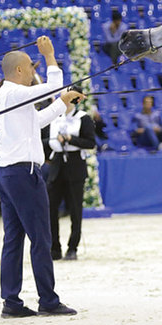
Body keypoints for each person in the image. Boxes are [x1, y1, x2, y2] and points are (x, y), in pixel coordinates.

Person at [0, 36, 84, 318]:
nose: (34, 70)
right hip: (22, 173)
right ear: (19, 70)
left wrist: (62, 104)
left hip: (5, 174)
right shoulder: (16, 93)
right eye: (31, 66)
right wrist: (51, 56)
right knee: (41, 237)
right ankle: (48, 300)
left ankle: (12, 302)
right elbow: (52, 86)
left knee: (14, 240)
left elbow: (36, 122)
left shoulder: (2, 98)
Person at [47, 104, 96, 261]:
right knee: (51, 208)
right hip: (57, 164)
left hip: (75, 164)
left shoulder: (83, 118)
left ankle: (72, 247)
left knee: (75, 209)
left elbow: (90, 143)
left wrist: (70, 139)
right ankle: (55, 247)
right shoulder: (55, 118)